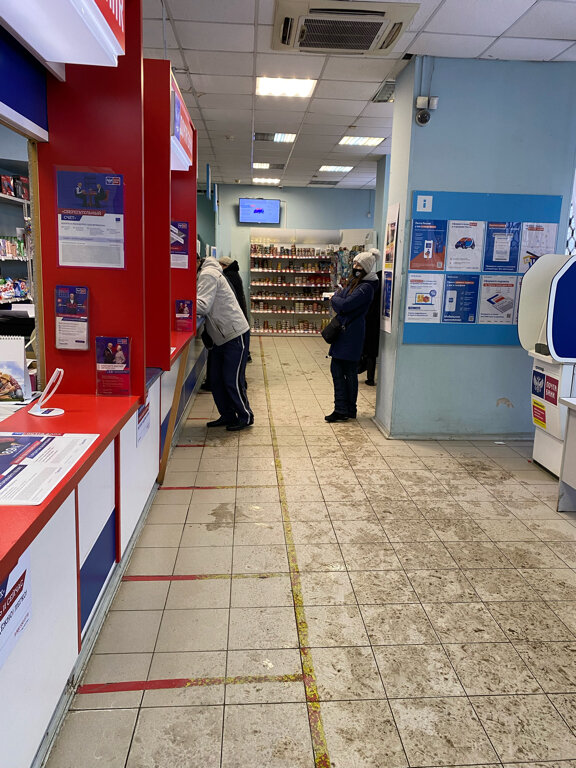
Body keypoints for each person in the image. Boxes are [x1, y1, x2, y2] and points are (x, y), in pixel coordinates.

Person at [197, 257, 253, 431]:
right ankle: (227, 415)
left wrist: (177, 303)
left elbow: (202, 305)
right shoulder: (204, 274)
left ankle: (245, 416)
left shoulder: (208, 275)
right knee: (216, 379)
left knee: (232, 379)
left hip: (233, 333)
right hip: (219, 336)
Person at [325, 249, 379, 422]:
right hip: (345, 334)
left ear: (366, 268)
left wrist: (334, 299)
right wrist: (338, 299)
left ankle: (345, 409)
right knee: (340, 371)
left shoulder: (366, 288)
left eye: (359, 265)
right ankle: (345, 409)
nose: (355, 267)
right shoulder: (355, 283)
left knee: (345, 371)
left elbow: (345, 305)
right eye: (354, 264)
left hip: (351, 336)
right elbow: (342, 299)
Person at [218, 256, 252, 363]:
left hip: (236, 308)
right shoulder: (234, 273)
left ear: (224, 266)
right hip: (240, 306)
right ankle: (246, 355)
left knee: (240, 335)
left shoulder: (229, 275)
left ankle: (246, 355)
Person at [359, 263, 382, 386]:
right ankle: (370, 377)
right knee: (371, 352)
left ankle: (363, 370)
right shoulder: (383, 282)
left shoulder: (368, 285)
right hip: (378, 321)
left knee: (367, 350)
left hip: (367, 320)